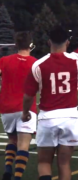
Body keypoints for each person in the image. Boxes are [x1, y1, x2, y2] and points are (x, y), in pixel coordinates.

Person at [22, 10, 78, 180]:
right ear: (68, 42)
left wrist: (26, 113)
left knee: (44, 162)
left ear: (49, 42)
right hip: (69, 117)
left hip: (47, 117)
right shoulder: (76, 60)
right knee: (64, 164)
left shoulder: (38, 65)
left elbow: (28, 96)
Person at [0, 32, 37, 180]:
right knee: (23, 145)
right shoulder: (35, 62)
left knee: (12, 140)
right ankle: (17, 176)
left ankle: (8, 168)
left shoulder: (4, 60)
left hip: (6, 106)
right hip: (26, 107)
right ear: (30, 45)